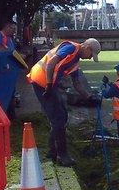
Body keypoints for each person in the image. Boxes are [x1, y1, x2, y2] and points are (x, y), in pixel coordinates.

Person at [27, 38, 102, 167]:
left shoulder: (75, 61)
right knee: (58, 118)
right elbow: (51, 63)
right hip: (41, 82)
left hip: (49, 84)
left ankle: (53, 151)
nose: (90, 58)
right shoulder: (70, 48)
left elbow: (76, 83)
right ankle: (62, 155)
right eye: (91, 55)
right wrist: (49, 85)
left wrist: (89, 97)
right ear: (87, 48)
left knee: (62, 115)